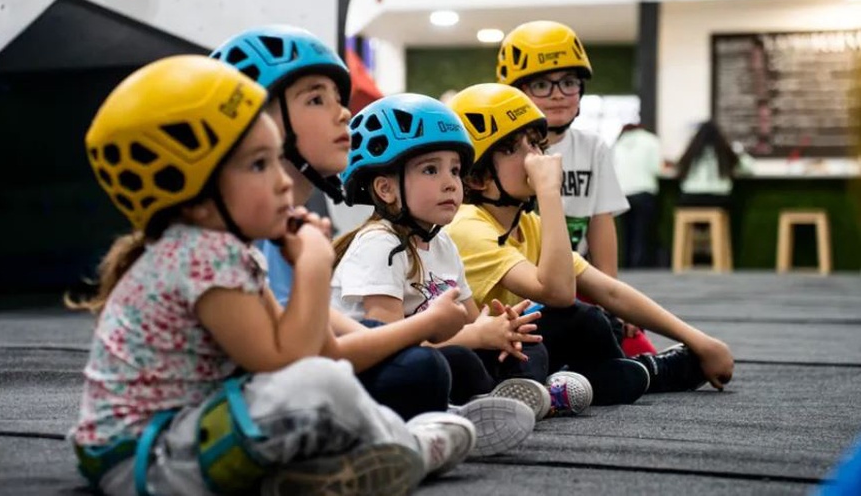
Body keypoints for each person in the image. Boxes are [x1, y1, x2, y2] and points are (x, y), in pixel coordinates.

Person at [67, 55, 477, 496]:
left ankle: (336, 464)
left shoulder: (223, 251)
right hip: (152, 461)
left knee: (330, 378)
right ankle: (408, 447)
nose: (283, 182)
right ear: (196, 194)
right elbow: (294, 364)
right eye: (259, 165)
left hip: (180, 443)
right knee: (319, 385)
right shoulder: (204, 255)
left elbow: (322, 349)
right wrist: (313, 263)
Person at [213, 26, 537, 444]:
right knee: (423, 367)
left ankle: (434, 419)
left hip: (292, 386)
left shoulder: (285, 227)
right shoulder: (237, 240)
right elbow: (308, 359)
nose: (343, 114)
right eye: (316, 100)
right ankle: (415, 430)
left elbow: (340, 343)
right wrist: (437, 329)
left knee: (454, 357)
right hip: (242, 414)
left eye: (338, 99)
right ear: (258, 122)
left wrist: (464, 330)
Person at [446, 83, 735, 407]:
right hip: (482, 357)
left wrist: (699, 340)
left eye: (536, 143)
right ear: (476, 178)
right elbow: (558, 293)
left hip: (518, 348)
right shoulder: (467, 224)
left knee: (590, 320)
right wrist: (549, 192)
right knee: (570, 319)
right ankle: (639, 374)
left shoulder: (526, 224)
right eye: (514, 149)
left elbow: (609, 291)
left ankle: (601, 378)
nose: (535, 158)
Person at [333, 93, 588, 422]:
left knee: (525, 345)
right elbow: (390, 344)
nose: (450, 184)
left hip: (435, 352)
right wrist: (477, 335)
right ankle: (498, 401)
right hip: (382, 367)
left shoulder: (442, 243)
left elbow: (472, 320)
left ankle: (512, 395)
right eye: (430, 170)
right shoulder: (378, 244)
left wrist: (499, 329)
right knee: (451, 361)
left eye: (455, 170)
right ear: (386, 189)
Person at [496, 20, 657, 356]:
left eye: (568, 83)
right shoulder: (503, 154)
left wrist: (612, 299)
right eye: (542, 84)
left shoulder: (593, 147)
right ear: (515, 93)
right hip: (522, 282)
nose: (557, 94)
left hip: (578, 279)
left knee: (636, 348)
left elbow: (601, 221)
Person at [613, 123, 663, 268]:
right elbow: (657, 168)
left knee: (626, 232)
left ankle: (627, 263)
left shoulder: (618, 143)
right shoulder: (651, 140)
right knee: (642, 232)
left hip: (622, 193)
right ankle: (640, 264)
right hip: (644, 192)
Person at [675, 120, 755, 209]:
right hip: (718, 198)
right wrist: (740, 152)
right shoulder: (724, 152)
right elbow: (748, 169)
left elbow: (677, 168)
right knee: (736, 201)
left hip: (689, 198)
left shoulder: (690, 153)